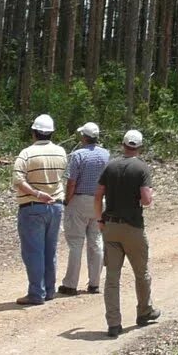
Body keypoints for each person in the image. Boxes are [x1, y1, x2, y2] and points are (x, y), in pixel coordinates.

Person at [96, 129, 159, 338]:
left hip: (110, 227)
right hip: (133, 227)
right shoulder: (142, 168)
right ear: (139, 147)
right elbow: (147, 200)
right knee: (141, 273)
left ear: (123, 145)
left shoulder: (110, 166)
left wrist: (99, 220)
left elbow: (98, 196)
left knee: (112, 278)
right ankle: (144, 311)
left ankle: (113, 323)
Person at [11, 114, 66, 306]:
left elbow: (18, 180)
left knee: (33, 251)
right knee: (49, 250)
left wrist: (36, 193)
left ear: (34, 132)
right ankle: (49, 290)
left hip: (33, 207)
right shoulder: (61, 152)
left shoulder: (26, 153)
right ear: (51, 132)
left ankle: (36, 293)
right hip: (56, 206)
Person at [59, 122, 108, 296]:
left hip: (79, 199)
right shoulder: (106, 155)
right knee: (96, 241)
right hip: (99, 201)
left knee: (75, 243)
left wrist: (67, 199)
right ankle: (94, 283)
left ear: (84, 137)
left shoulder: (78, 155)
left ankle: (71, 284)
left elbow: (71, 181)